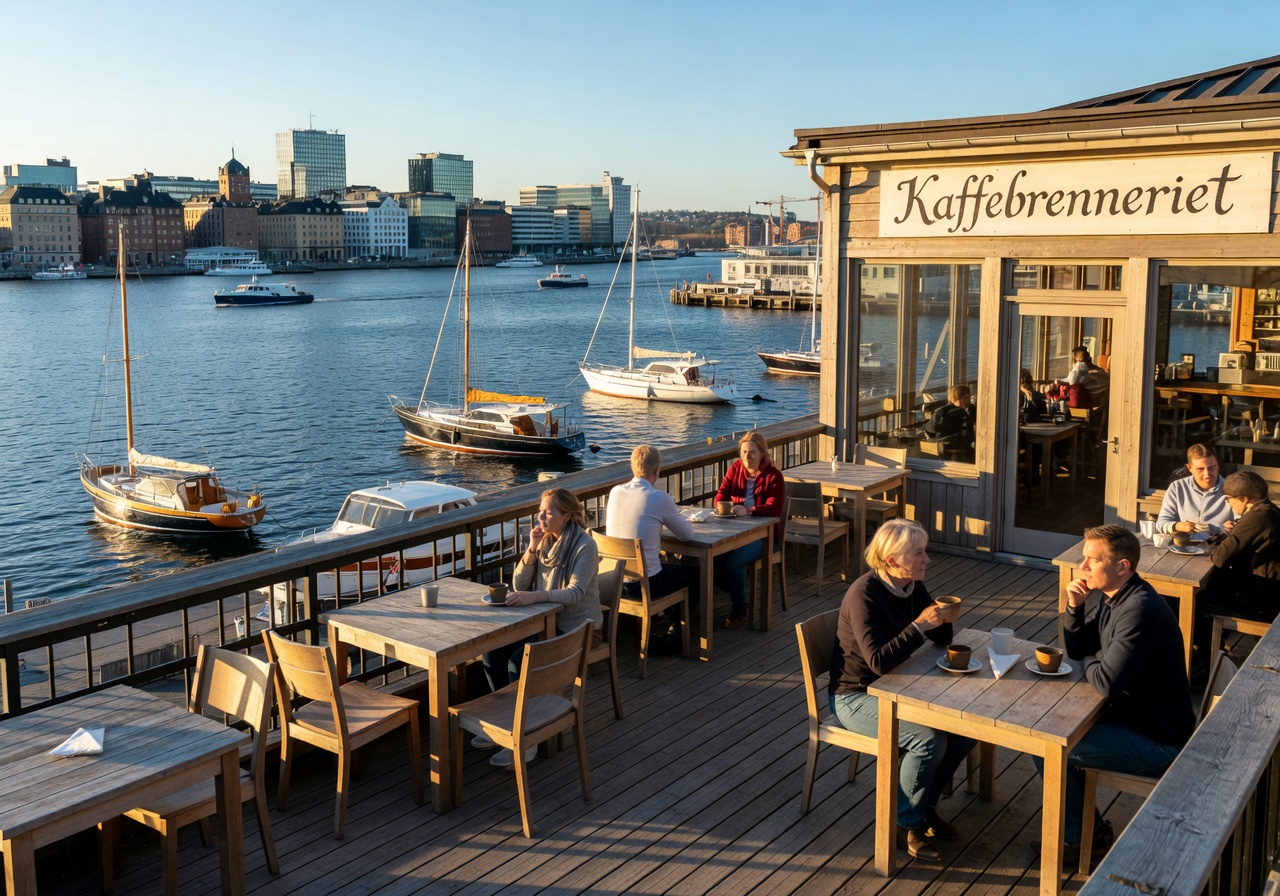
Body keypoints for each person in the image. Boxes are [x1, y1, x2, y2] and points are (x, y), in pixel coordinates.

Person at [1041, 525, 1195, 869]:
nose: (1082, 567)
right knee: (1054, 733)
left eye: (1092, 560)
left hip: (1159, 743)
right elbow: (1080, 648)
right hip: (1132, 718)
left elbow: (1105, 681)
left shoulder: (1138, 610)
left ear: (1122, 566)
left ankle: (1080, 840)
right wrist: (1075, 606)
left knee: (1048, 748)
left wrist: (1092, 660)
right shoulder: (1118, 598)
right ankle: (1089, 831)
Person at [828, 518, 973, 862]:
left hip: (899, 687)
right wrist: (920, 625)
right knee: (928, 739)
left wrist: (942, 618)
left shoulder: (910, 585)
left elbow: (939, 639)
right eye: (919, 553)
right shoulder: (865, 595)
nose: (928, 560)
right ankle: (903, 823)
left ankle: (923, 807)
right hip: (855, 695)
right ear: (892, 560)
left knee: (966, 730)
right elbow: (878, 661)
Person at [479, 487, 601, 767]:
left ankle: (527, 738)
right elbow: (518, 586)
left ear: (567, 515)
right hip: (540, 622)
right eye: (540, 511)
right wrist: (531, 550)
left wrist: (537, 596)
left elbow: (575, 593)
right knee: (491, 654)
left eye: (548, 512)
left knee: (516, 662)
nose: (541, 517)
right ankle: (506, 724)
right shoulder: (544, 542)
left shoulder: (584, 545)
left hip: (577, 628)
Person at [606, 444, 701, 652]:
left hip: (614, 581)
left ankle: (660, 623)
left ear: (632, 467)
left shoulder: (614, 493)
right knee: (697, 575)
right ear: (657, 471)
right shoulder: (659, 499)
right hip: (645, 584)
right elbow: (686, 535)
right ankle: (674, 634)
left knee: (666, 566)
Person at [712, 431, 785, 629]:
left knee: (734, 563)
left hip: (766, 537)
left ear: (762, 453)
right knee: (712, 559)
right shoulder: (735, 468)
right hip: (735, 532)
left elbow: (774, 509)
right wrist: (721, 505)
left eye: (752, 452)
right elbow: (720, 495)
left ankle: (738, 607)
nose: (747, 457)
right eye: (744, 452)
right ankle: (739, 595)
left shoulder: (774, 476)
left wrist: (749, 510)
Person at [1202, 470, 1280, 626]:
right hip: (1269, 592)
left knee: (1198, 598)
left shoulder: (1256, 517)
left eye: (1229, 499)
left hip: (1260, 601)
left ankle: (1204, 649)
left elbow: (1219, 558)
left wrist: (1216, 542)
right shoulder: (1270, 511)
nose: (1228, 503)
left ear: (1245, 499)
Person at [1155, 444, 1235, 536]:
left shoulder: (1232, 490)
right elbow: (1161, 523)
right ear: (1189, 468)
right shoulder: (1177, 487)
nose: (1207, 474)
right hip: (1183, 546)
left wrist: (1216, 529)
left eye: (1211, 467)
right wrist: (1177, 526)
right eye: (1200, 469)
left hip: (1219, 547)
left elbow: (1240, 526)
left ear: (1218, 466)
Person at [925, 384, 976, 460]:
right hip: (957, 452)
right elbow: (967, 435)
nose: (967, 401)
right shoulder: (959, 413)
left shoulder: (941, 411)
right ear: (956, 399)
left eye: (968, 398)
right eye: (965, 398)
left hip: (940, 451)